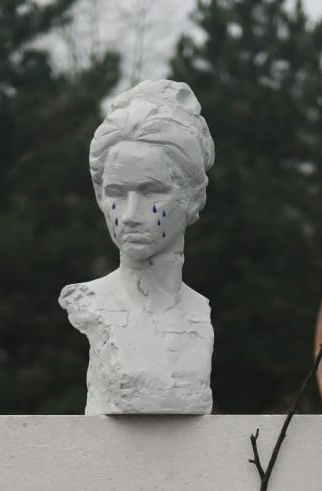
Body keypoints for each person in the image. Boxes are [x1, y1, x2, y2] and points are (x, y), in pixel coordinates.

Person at [59, 79, 216, 415]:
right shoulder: (92, 304)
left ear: (193, 197)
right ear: (100, 196)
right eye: (116, 193)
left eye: (150, 191)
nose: (129, 215)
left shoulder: (199, 315)